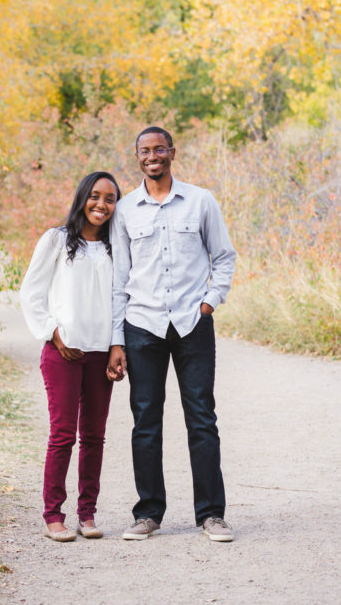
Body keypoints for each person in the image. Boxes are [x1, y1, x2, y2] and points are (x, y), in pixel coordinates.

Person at [107, 126, 236, 542]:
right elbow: (119, 278)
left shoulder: (200, 201)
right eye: (144, 150)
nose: (152, 156)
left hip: (191, 324)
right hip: (142, 325)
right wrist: (117, 339)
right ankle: (148, 513)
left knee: (202, 418)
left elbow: (224, 256)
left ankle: (211, 515)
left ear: (172, 153)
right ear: (137, 156)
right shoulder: (125, 210)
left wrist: (209, 302)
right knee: (145, 420)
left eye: (159, 149)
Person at [20, 171, 121, 542]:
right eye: (95, 196)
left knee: (94, 436)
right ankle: (53, 515)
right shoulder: (57, 240)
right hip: (63, 352)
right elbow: (31, 292)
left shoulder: (116, 247)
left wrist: (117, 346)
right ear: (82, 197)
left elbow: (121, 298)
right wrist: (54, 332)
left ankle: (87, 514)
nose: (101, 204)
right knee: (63, 435)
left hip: (101, 353)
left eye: (110, 199)